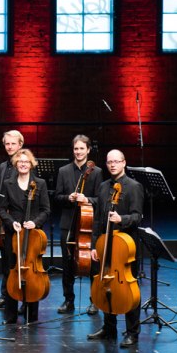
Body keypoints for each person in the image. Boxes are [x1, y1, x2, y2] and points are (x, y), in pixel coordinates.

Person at [87, 150, 143, 348]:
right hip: (106, 245)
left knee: (129, 288)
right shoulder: (103, 187)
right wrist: (94, 245)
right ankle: (109, 328)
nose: (112, 165)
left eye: (116, 161)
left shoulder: (134, 187)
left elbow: (137, 216)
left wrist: (122, 219)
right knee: (106, 285)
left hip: (127, 247)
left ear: (124, 163)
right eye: (109, 162)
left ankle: (132, 332)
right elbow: (97, 219)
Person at [0, 149, 51, 324]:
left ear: (31, 164)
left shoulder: (40, 183)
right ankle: (11, 315)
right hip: (14, 235)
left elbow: (46, 210)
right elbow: (0, 209)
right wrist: (11, 221)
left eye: (26, 161)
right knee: (10, 272)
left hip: (33, 236)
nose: (22, 164)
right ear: (15, 164)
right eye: (19, 161)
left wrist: (35, 223)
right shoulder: (8, 183)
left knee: (32, 274)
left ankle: (31, 315)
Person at [54, 135, 103, 315]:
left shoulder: (96, 172)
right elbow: (57, 196)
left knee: (92, 263)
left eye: (82, 148)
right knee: (67, 264)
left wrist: (86, 199)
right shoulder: (64, 171)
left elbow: (100, 199)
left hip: (88, 223)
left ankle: (94, 300)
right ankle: (69, 300)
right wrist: (69, 197)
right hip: (68, 223)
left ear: (88, 150)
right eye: (76, 149)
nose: (79, 152)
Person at [0, 130, 24, 310]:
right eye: (7, 144)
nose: (10, 147)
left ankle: (24, 298)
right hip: (4, 218)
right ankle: (6, 295)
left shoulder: (24, 164)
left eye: (13, 144)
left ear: (20, 145)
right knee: (6, 260)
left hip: (19, 220)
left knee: (20, 260)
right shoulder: (3, 166)